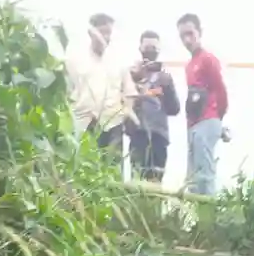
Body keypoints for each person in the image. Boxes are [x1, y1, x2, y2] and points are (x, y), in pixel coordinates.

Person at [66, 11, 136, 163]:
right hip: (83, 123)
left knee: (112, 170)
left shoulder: (118, 60)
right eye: (102, 32)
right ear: (92, 33)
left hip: (112, 123)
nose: (106, 37)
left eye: (109, 33)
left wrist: (128, 111)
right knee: (84, 168)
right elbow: (66, 91)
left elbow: (129, 90)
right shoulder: (76, 59)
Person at [177, 13, 229, 195]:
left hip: (208, 120)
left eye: (190, 33)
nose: (187, 39)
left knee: (205, 175)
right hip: (193, 123)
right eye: (182, 35)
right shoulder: (189, 65)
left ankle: (210, 218)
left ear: (200, 32)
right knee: (193, 178)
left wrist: (217, 119)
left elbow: (220, 89)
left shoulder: (208, 59)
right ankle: (198, 219)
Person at [127, 30, 181, 183]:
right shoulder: (132, 74)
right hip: (138, 134)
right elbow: (126, 102)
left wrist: (167, 88)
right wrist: (138, 82)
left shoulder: (165, 77)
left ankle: (155, 207)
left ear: (159, 50)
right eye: (147, 46)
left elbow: (174, 109)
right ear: (140, 48)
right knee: (137, 179)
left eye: (154, 47)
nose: (150, 51)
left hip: (159, 136)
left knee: (155, 181)